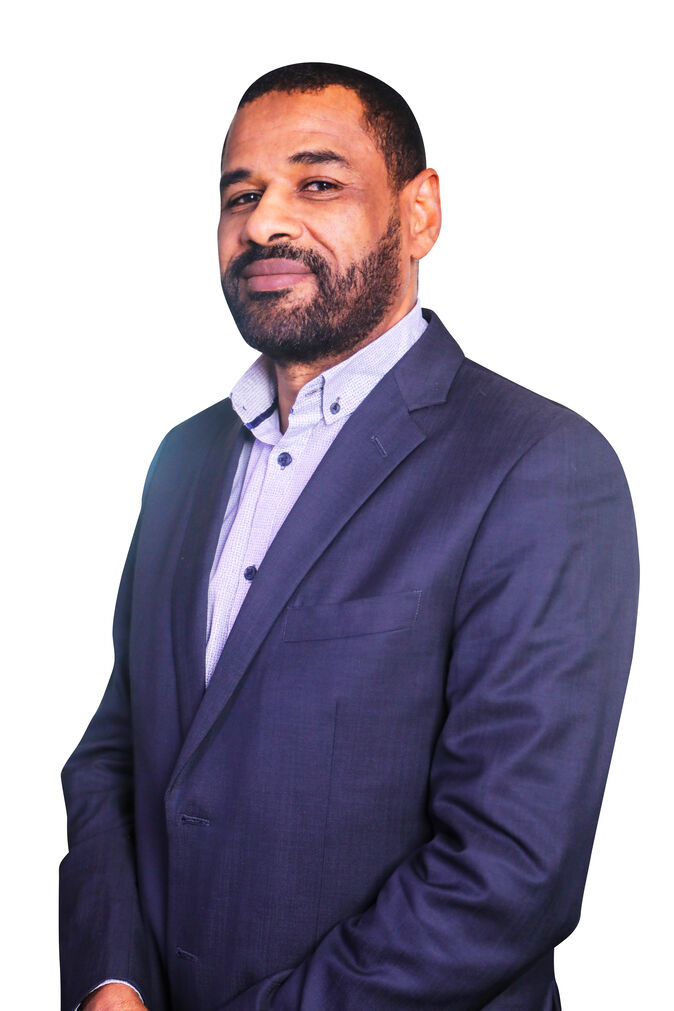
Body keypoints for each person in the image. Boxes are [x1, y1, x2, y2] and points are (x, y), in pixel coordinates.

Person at [59, 63, 639, 1011]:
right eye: (239, 195)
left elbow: (507, 871)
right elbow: (117, 758)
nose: (265, 223)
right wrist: (110, 978)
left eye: (318, 183)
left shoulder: (540, 465)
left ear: (419, 213)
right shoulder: (183, 461)